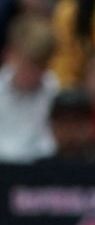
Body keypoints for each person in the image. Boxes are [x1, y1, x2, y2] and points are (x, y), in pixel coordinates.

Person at [0, 16, 58, 163]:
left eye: (40, 66)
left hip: (40, 167)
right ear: (9, 55)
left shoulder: (55, 91)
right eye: (27, 64)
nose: (33, 73)